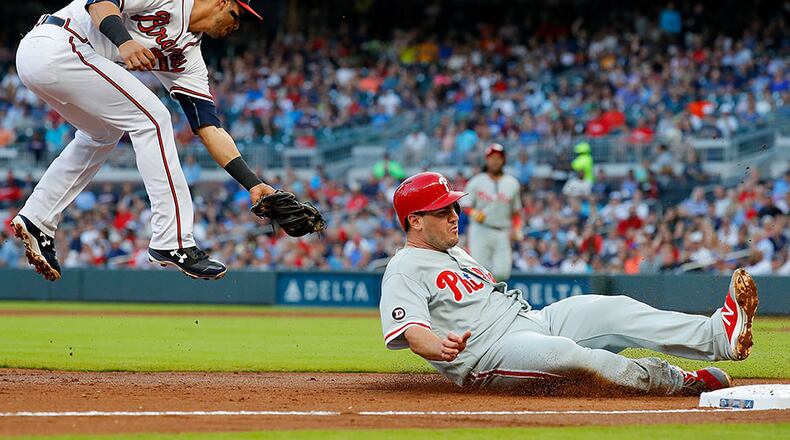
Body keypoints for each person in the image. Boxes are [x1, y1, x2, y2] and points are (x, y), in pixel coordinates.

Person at [380, 171, 759, 394]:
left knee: (614, 309)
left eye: (455, 207)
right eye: (442, 210)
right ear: (414, 220)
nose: (455, 215)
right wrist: (440, 348)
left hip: (534, 321)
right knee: (566, 354)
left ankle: (718, 336)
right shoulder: (404, 268)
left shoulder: (455, 253)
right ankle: (676, 381)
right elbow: (412, 331)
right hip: (490, 354)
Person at [10, 0, 287, 281]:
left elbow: (208, 128)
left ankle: (37, 218)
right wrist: (124, 42)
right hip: (56, 43)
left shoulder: (187, 56)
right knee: (154, 119)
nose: (237, 25)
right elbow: (100, 3)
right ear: (221, 2)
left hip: (62, 62)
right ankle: (173, 241)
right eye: (237, 15)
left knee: (104, 133)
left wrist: (252, 183)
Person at [461, 144, 522, 281]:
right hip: (480, 229)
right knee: (479, 271)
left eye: (498, 158)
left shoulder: (512, 183)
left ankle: (496, 298)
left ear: (503, 160)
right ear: (487, 160)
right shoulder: (476, 181)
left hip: (502, 231)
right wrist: (474, 213)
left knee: (502, 272)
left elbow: (516, 211)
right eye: (492, 157)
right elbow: (465, 205)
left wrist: (517, 228)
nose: (495, 161)